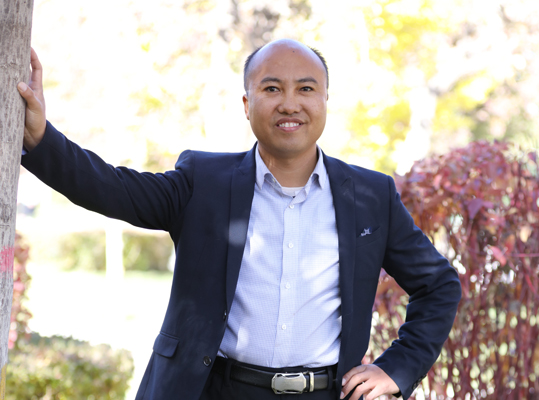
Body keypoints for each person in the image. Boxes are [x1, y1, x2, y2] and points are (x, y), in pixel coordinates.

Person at [17, 40, 461, 400]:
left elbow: (438, 284)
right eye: (272, 89)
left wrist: (396, 368)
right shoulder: (202, 182)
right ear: (247, 104)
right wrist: (40, 138)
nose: (290, 103)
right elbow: (112, 188)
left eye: (306, 89)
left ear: (326, 100)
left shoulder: (370, 195)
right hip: (213, 390)